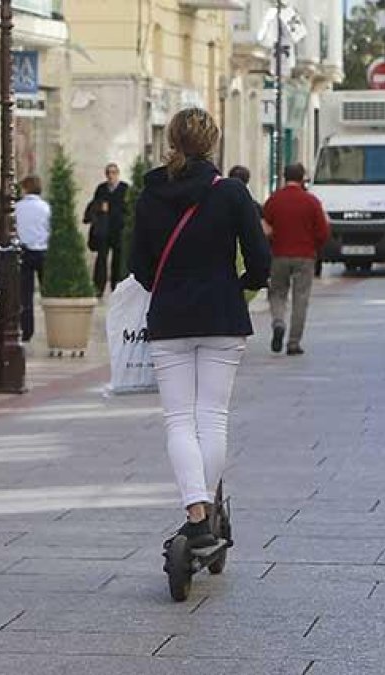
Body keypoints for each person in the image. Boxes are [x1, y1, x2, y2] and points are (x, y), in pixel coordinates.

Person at [129, 107, 270, 547]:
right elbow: (260, 259)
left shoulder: (151, 194)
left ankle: (195, 510)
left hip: (170, 318)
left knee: (178, 419)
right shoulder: (231, 193)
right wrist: (240, 284)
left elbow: (138, 263)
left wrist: (165, 286)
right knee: (212, 417)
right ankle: (204, 515)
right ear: (213, 142)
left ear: (171, 141)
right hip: (221, 317)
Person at [263, 163, 330, 356]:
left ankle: (278, 322)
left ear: (284, 176)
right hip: (305, 255)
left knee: (277, 293)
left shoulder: (274, 200)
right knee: (301, 298)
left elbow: (265, 228)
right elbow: (323, 232)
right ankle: (293, 342)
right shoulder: (311, 202)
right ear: (303, 178)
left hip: (279, 254)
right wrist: (314, 246)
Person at [85, 163, 129, 297]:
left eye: (114, 172)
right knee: (101, 258)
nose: (111, 176)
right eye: (109, 173)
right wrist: (100, 208)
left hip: (118, 229)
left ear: (118, 174)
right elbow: (94, 205)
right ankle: (99, 286)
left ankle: (116, 285)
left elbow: (128, 208)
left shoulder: (124, 188)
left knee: (118, 259)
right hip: (103, 230)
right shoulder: (101, 188)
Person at [15, 174, 50, 341]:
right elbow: (50, 229)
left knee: (25, 295)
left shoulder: (17, 208)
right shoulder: (45, 208)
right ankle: (53, 325)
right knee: (48, 292)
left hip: (24, 252)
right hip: (43, 252)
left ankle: (27, 331)